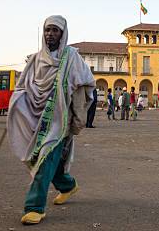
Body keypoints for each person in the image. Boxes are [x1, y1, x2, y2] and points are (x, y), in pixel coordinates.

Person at [7, 16, 95, 225]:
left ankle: (34, 207)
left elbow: (83, 87)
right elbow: (23, 87)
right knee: (44, 159)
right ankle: (68, 185)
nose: (50, 34)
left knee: (45, 158)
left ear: (63, 33)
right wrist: (16, 103)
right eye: (47, 30)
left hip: (60, 120)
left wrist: (78, 118)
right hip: (36, 119)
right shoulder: (36, 60)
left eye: (55, 30)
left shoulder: (72, 57)